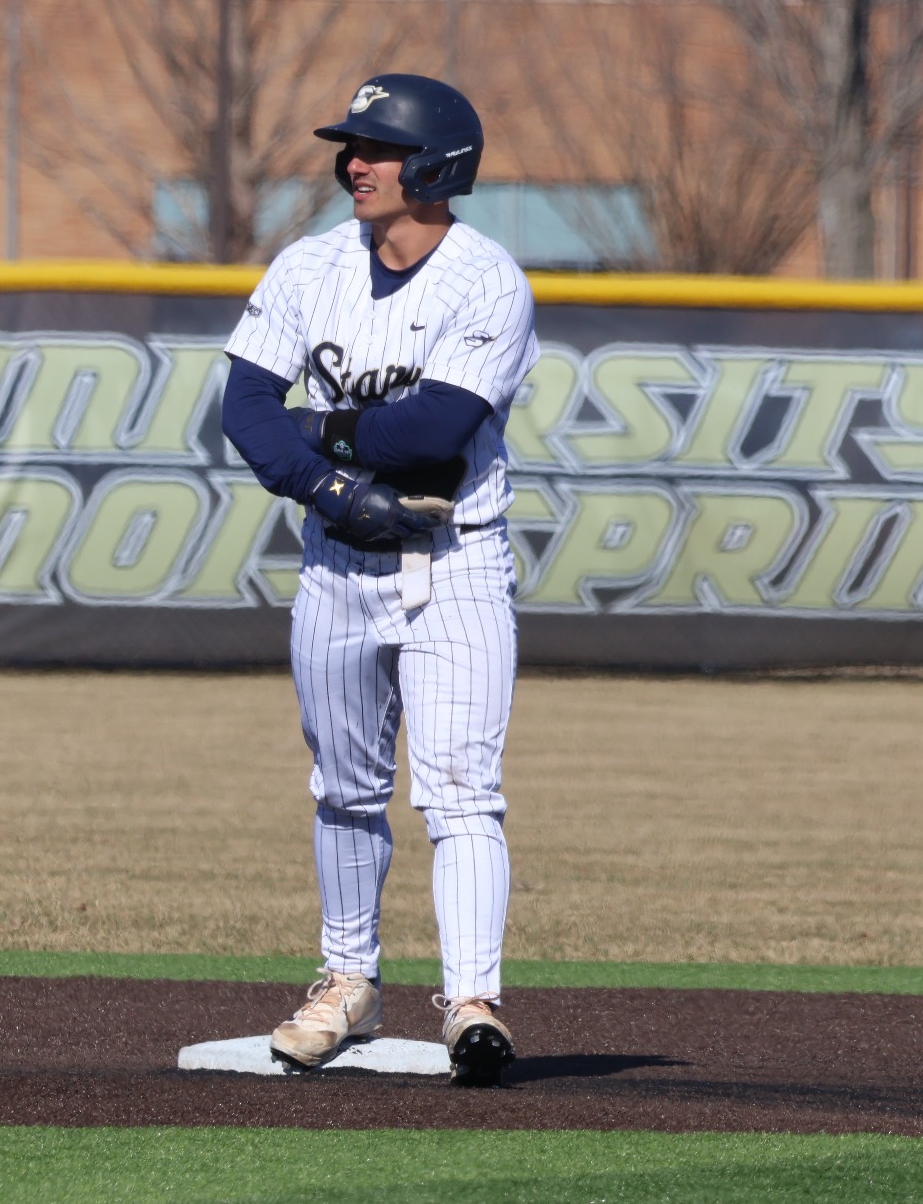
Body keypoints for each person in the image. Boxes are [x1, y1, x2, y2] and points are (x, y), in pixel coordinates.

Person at [219, 73, 536, 1086]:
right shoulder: (309, 266)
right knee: (344, 787)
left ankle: (473, 999)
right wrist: (333, 488)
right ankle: (345, 980)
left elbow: (433, 429)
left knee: (459, 788)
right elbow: (245, 409)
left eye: (375, 147)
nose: (351, 162)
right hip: (336, 563)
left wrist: (318, 434)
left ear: (436, 167)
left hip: (457, 562)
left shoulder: (487, 281)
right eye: (348, 145)